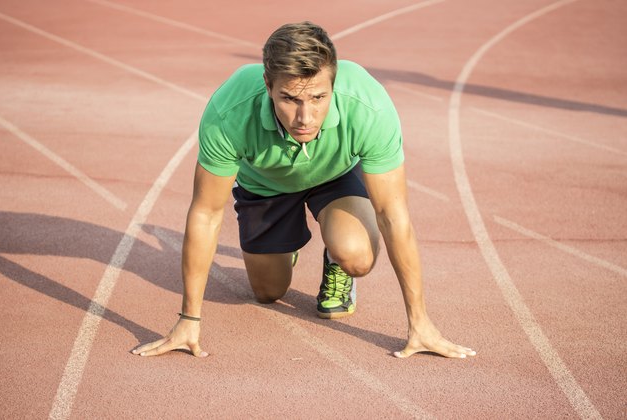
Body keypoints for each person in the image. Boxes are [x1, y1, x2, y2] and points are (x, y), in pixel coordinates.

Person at [133, 21, 475, 360]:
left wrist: (420, 323)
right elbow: (206, 213)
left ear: (334, 84)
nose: (304, 117)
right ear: (268, 85)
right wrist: (188, 320)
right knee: (267, 292)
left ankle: (335, 257)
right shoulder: (230, 110)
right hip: (265, 184)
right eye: (289, 99)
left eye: (318, 98)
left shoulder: (368, 105)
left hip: (335, 175)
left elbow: (393, 214)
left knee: (356, 256)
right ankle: (286, 245)